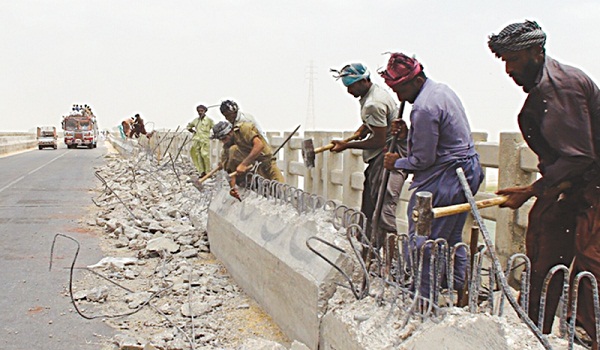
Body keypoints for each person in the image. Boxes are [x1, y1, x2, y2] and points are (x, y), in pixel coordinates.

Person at [488, 20, 600, 347]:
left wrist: (530, 190)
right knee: (543, 233)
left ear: (537, 52)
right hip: (572, 183)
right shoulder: (541, 90)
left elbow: (580, 157)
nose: (509, 69)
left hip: (593, 183)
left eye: (515, 59)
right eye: (505, 61)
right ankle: (533, 326)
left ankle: (589, 334)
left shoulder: (560, 87)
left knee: (590, 255)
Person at [380, 53, 484, 297]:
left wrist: (398, 161)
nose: (399, 97)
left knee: (424, 241)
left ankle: (424, 296)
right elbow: (437, 142)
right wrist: (407, 135)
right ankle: (457, 286)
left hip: (447, 178)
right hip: (465, 172)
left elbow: (423, 159)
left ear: (415, 81)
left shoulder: (424, 108)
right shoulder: (440, 91)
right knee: (452, 236)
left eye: (400, 89)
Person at [330, 63, 407, 249]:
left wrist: (347, 145)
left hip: (386, 154)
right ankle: (369, 250)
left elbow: (378, 141)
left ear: (364, 81)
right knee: (370, 206)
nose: (349, 91)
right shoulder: (375, 93)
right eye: (347, 87)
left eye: (352, 86)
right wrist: (364, 129)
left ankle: (388, 257)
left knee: (381, 208)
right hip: (381, 155)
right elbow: (378, 122)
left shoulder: (373, 104)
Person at [211, 120, 284, 199]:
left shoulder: (244, 129)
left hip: (266, 163)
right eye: (221, 140)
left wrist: (243, 164)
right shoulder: (227, 149)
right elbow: (230, 172)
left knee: (281, 191)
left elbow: (259, 145)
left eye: (225, 138)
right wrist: (232, 188)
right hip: (251, 173)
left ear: (230, 132)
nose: (224, 142)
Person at [187, 105, 215, 177]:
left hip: (205, 140)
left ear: (205, 111)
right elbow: (189, 126)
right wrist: (193, 131)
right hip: (197, 140)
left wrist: (214, 136)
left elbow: (214, 128)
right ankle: (201, 172)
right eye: (199, 111)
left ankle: (208, 172)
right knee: (198, 156)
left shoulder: (209, 120)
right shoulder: (196, 120)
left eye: (201, 111)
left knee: (205, 155)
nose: (200, 112)